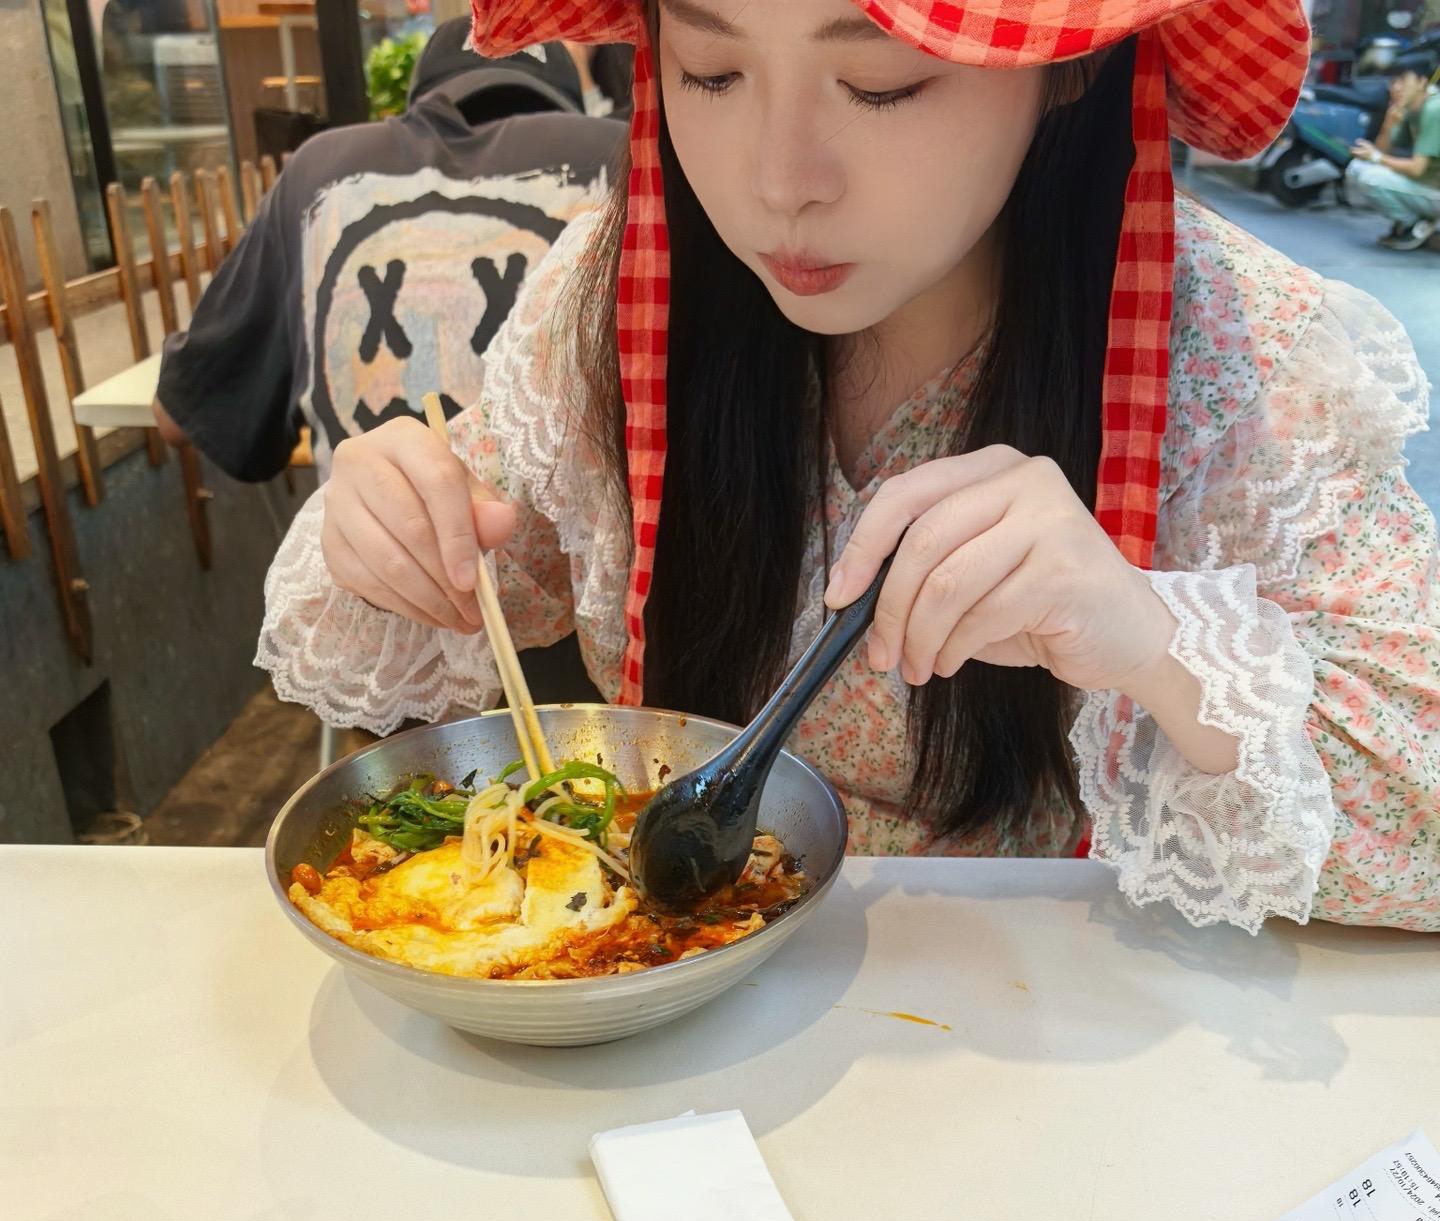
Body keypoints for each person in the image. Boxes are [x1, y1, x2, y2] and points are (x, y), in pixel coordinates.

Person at [259, 0, 1440, 934]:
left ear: (1070, 61)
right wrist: (392, 528)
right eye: (710, 71)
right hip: (669, 1019)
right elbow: (472, 572)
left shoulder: (1245, 358)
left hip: (1045, 1074)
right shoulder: (615, 300)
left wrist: (1154, 641)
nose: (780, 182)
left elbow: (1422, 828)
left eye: (880, 83)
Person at [154, 26, 625, 480]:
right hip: (597, 537)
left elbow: (179, 417)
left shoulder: (320, 174)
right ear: (572, 104)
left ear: (420, 103)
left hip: (364, 535)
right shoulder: (623, 156)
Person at [1349, 55, 1440, 249]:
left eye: (1403, 80)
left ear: (1422, 82)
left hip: (1434, 188)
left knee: (1370, 177)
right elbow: (1382, 151)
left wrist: (1375, 156)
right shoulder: (1409, 107)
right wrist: (1389, 123)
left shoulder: (1434, 109)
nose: (1396, 87)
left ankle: (1413, 224)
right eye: (1393, 81)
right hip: (1426, 184)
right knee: (1357, 168)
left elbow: (1416, 168)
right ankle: (1415, 221)